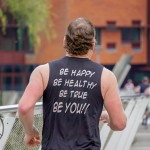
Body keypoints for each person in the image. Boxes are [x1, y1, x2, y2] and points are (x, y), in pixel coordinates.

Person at [18, 17, 127, 150]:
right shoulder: (106, 77)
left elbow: (24, 108)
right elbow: (120, 124)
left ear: (65, 41)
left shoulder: (43, 72)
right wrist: (108, 118)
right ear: (93, 44)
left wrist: (30, 132)